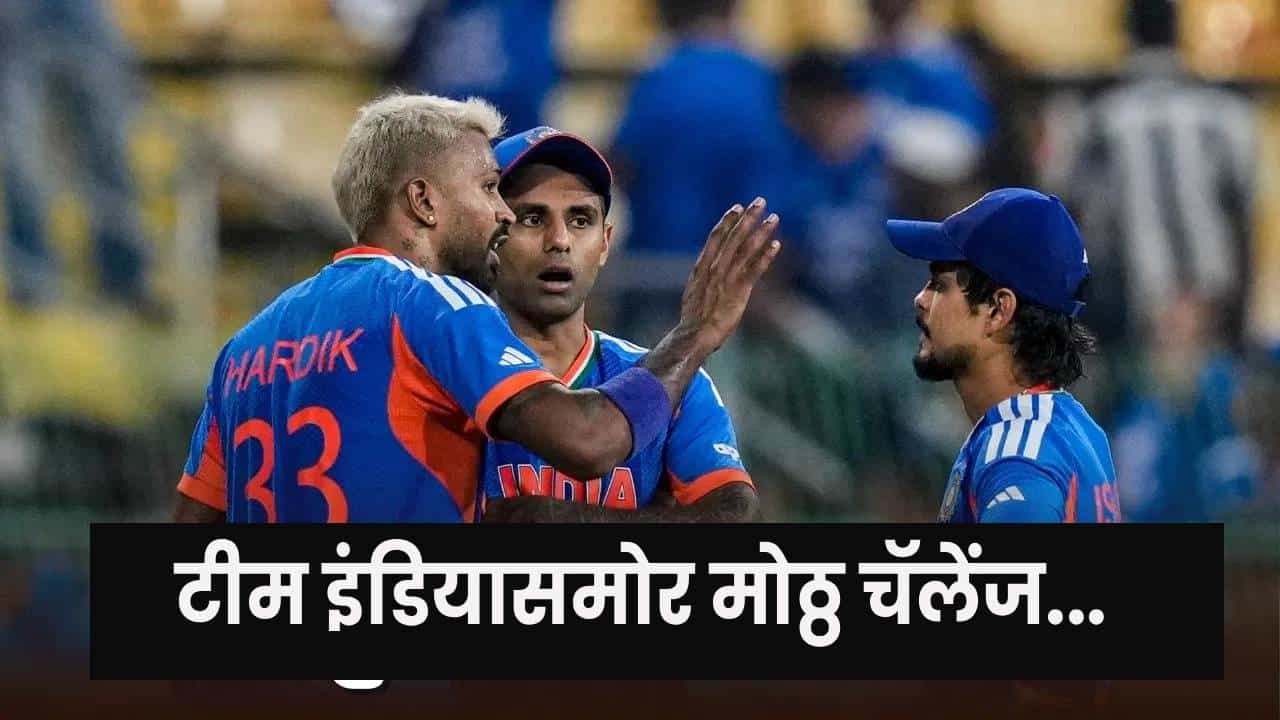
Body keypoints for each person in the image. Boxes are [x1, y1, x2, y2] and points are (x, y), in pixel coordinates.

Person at [171, 92, 781, 523]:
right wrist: (697, 332)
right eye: (493, 192)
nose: (501, 214)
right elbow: (590, 441)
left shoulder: (245, 345)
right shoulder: (435, 308)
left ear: (605, 240)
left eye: (580, 219)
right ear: (424, 202)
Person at [479, 127, 757, 522]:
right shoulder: (453, 367)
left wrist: (569, 520)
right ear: (490, 235)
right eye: (532, 218)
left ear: (605, 243)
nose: (559, 240)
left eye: (580, 220)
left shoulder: (674, 380)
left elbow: (737, 516)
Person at [885, 188, 1119, 523]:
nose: (920, 299)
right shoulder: (1072, 426)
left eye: (939, 285)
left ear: (998, 310)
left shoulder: (1017, 455)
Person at [607, 0, 787, 343]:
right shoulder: (762, 80)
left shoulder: (659, 76)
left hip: (658, 271)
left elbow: (622, 165)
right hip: (742, 275)